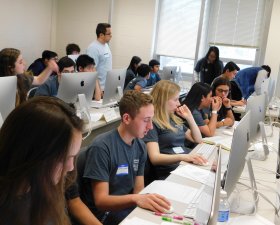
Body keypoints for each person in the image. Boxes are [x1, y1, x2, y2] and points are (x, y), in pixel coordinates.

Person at [80, 91, 171, 225]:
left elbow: (138, 191)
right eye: (146, 120)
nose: (150, 126)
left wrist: (142, 200)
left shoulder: (140, 145)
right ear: (127, 118)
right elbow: (101, 201)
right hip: (104, 214)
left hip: (127, 207)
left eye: (152, 119)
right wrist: (136, 199)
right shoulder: (102, 147)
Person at [0, 96, 83, 225]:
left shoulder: (45, 185)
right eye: (64, 159)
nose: (71, 167)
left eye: (73, 157)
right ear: (33, 155)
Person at [143, 80, 207, 181]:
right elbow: (155, 158)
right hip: (171, 170)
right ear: (163, 100)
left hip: (184, 164)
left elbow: (198, 140)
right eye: (176, 100)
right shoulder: (152, 123)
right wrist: (183, 157)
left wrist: (189, 117)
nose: (179, 103)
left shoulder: (172, 118)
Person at [87, 23, 112, 90]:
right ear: (101, 35)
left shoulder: (106, 45)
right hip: (98, 88)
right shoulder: (93, 48)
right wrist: (98, 89)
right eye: (109, 34)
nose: (111, 36)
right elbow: (92, 70)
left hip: (105, 86)